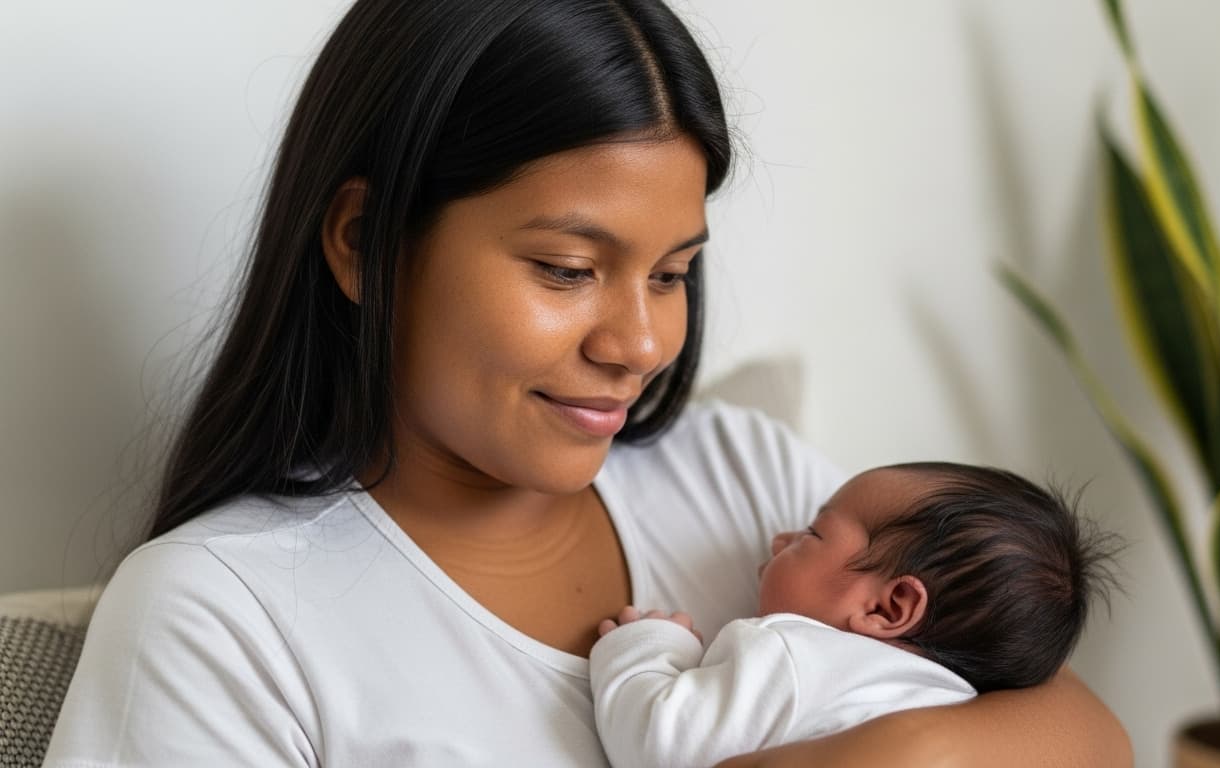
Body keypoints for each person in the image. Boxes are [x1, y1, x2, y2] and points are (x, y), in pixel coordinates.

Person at [43, 0, 1131, 765]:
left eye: (672, 274)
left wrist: (907, 756)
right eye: (568, 270)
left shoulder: (752, 485)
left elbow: (1088, 734)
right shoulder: (225, 616)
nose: (641, 341)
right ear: (365, 242)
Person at [589, 462, 1118, 768]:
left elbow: (661, 741)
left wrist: (646, 648)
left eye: (813, 535)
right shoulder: (962, 702)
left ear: (889, 608)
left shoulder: (794, 654)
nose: (779, 538)